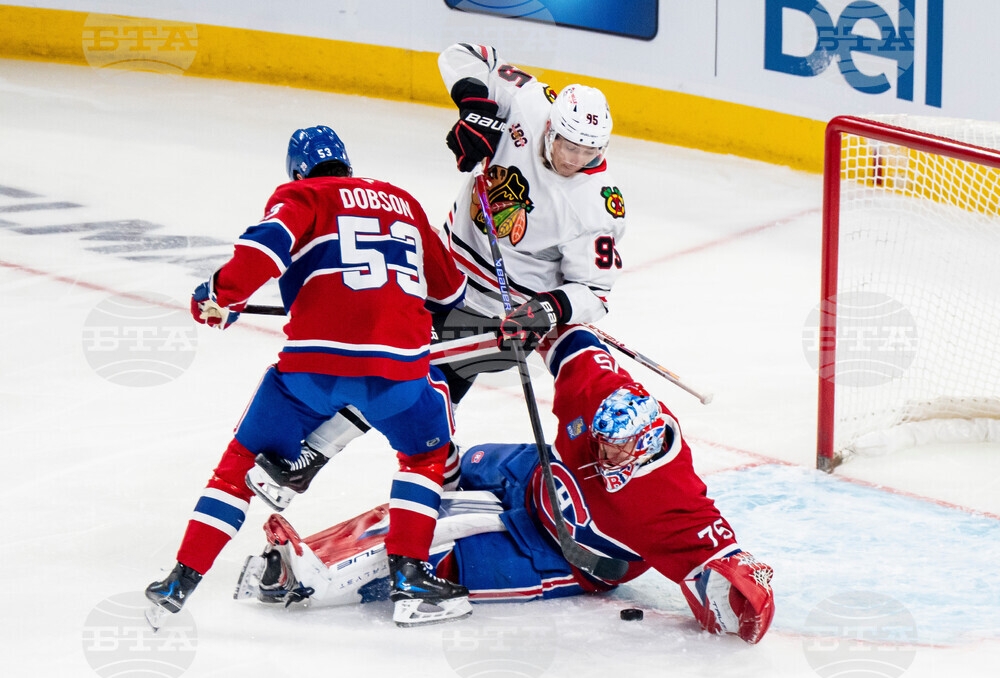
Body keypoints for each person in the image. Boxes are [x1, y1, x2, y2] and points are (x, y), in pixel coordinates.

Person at [246, 42, 629, 511]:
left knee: (414, 378)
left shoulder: (597, 206)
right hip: (439, 270)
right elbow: (464, 52)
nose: (575, 159)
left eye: (589, 151)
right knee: (379, 355)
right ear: (550, 126)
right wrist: (476, 108)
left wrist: (548, 309)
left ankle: (334, 460)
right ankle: (429, 480)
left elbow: (594, 291)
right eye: (568, 146)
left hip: (501, 313)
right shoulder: (530, 102)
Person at [235, 327, 776, 644]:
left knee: (448, 561)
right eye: (601, 443)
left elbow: (731, 594)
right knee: (440, 481)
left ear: (645, 441)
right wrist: (543, 321)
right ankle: (366, 533)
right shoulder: (602, 394)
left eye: (615, 449)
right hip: (530, 475)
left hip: (558, 553)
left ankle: (314, 577)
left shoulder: (674, 505)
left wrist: (746, 590)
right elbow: (575, 343)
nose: (603, 453)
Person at [144, 125, 473, 629]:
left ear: (298, 171)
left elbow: (265, 249)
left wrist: (220, 293)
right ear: (347, 164)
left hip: (312, 373)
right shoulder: (403, 201)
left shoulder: (302, 194)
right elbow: (450, 294)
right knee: (425, 454)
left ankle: (179, 581)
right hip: (399, 376)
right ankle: (410, 578)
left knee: (236, 469)